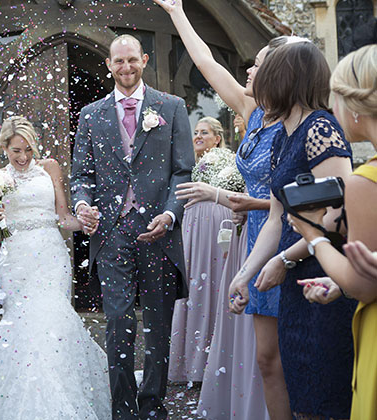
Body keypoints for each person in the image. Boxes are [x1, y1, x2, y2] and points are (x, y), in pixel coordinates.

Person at [152, 2, 309, 418]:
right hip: (252, 236)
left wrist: (229, 199)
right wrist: (176, 12)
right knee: (262, 356)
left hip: (286, 237)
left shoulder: (299, 124)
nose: (248, 72)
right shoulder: (253, 112)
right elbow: (205, 63)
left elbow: (298, 198)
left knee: (284, 353)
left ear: (280, 72)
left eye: (256, 66)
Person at [0, 115, 110, 419]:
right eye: (16, 151)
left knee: (53, 323)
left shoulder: (50, 168)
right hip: (16, 258)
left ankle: (57, 396)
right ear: (3, 147)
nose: (22, 157)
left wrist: (86, 224)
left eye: (28, 150)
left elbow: (62, 217)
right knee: (24, 326)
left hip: (50, 256)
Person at [228, 41, 356, 419]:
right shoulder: (282, 135)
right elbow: (275, 217)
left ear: (282, 79)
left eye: (263, 74)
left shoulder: (321, 129)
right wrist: (245, 274)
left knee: (325, 393)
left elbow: (339, 215)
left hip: (324, 275)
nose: (254, 80)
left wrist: (286, 258)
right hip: (293, 280)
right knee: (298, 385)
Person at [71, 34, 194, 420]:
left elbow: (182, 171)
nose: (125, 68)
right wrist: (82, 204)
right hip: (111, 234)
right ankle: (122, 410)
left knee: (158, 325)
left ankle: (153, 406)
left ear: (143, 60)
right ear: (108, 64)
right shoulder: (91, 114)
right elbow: (81, 174)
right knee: (119, 321)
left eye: (132, 60)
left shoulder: (171, 107)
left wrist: (171, 214)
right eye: (118, 61)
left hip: (158, 230)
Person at [288, 44, 377, 420]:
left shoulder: (365, 182)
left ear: (355, 107)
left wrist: (315, 237)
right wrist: (338, 284)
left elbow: (366, 285)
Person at [168, 117, 234, 382]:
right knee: (191, 285)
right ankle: (188, 366)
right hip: (191, 228)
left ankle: (214, 363)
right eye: (195, 132)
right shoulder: (186, 165)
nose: (197, 136)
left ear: (217, 138)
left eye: (204, 132)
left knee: (215, 284)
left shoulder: (227, 161)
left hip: (215, 226)